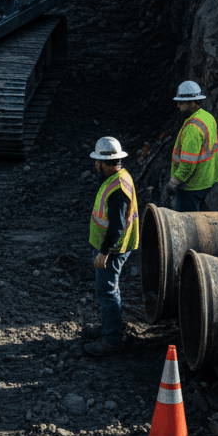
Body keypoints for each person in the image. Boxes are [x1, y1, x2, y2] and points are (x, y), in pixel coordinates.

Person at [84, 136, 139, 358]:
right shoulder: (119, 177)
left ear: (104, 163)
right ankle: (110, 327)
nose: (96, 165)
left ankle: (112, 339)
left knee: (106, 292)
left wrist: (104, 252)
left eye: (98, 162)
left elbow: (116, 227)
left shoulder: (117, 189)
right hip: (113, 247)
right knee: (109, 291)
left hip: (113, 250)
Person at [168, 80, 218, 212]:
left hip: (191, 186)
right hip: (207, 180)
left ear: (193, 103)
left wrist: (173, 183)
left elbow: (188, 163)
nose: (178, 106)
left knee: (188, 225)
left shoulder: (192, 128)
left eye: (181, 103)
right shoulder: (207, 117)